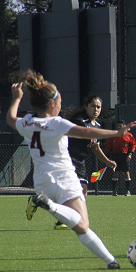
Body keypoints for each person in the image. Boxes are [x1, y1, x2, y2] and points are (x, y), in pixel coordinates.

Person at [6, 69, 136, 269]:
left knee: (81, 226)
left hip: (42, 182)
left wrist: (16, 99)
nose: (61, 105)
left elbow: (10, 119)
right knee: (83, 225)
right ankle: (50, 206)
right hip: (65, 179)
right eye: (59, 101)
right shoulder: (56, 123)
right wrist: (116, 132)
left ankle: (111, 262)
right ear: (52, 103)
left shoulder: (27, 123)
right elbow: (86, 131)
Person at [50, 96, 117, 230]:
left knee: (80, 191)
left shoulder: (96, 125)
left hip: (79, 160)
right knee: (80, 190)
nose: (96, 109)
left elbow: (95, 147)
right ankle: (65, 220)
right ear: (85, 106)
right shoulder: (80, 120)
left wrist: (108, 161)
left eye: (98, 107)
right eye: (92, 106)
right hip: (67, 158)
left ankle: (40, 201)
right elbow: (87, 133)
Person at [106, 119, 136, 196]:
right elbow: (109, 146)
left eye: (121, 125)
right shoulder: (113, 135)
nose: (119, 126)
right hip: (115, 156)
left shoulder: (129, 135)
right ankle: (114, 191)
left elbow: (133, 145)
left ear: (124, 126)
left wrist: (130, 154)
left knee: (126, 173)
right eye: (118, 125)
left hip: (125, 157)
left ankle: (128, 191)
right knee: (115, 173)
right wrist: (108, 157)